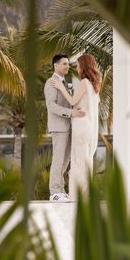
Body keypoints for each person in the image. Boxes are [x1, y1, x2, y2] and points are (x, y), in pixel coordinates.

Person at [50, 54, 100, 200]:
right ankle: (85, 193)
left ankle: (79, 194)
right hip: (87, 126)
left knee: (78, 159)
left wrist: (60, 87)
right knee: (84, 160)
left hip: (80, 125)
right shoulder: (94, 84)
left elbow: (72, 101)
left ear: (83, 66)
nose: (76, 68)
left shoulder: (84, 82)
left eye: (78, 65)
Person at [44, 54, 86, 202]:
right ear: (55, 65)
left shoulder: (65, 82)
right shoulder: (51, 82)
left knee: (65, 160)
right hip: (59, 127)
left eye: (68, 64)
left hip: (68, 127)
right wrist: (71, 113)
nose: (68, 66)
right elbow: (51, 106)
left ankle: (61, 191)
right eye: (64, 64)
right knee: (58, 159)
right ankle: (54, 192)